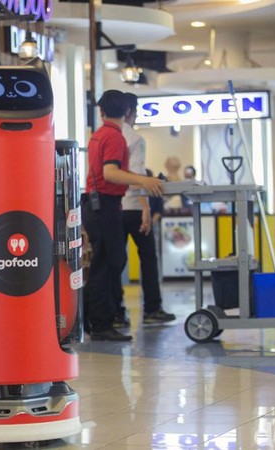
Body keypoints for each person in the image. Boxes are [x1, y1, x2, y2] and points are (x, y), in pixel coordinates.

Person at [82, 90, 164, 342]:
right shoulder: (115, 138)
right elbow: (111, 173)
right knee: (109, 264)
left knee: (106, 263)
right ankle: (101, 324)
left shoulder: (98, 135)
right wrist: (144, 180)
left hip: (96, 204)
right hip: (104, 204)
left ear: (101, 111)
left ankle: (97, 321)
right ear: (128, 112)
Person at [118, 94, 175, 325]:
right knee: (149, 259)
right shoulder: (135, 138)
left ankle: (115, 313)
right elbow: (137, 177)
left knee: (114, 262)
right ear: (130, 111)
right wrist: (145, 209)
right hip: (133, 206)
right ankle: (152, 309)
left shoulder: (103, 137)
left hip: (112, 207)